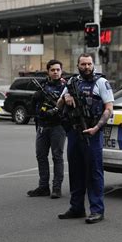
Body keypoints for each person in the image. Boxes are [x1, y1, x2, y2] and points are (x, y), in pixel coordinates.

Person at [57, 54, 114, 224]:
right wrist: (64, 97)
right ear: (78, 65)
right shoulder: (71, 82)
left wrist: (96, 128)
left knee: (94, 173)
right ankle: (77, 208)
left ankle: (97, 210)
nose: (87, 67)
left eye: (89, 64)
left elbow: (109, 108)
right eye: (83, 64)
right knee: (75, 171)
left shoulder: (101, 83)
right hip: (74, 133)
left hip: (92, 133)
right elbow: (58, 105)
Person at [27, 59, 66, 199]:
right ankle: (43, 187)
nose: (55, 72)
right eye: (52, 70)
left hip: (58, 126)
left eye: (58, 70)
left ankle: (56, 188)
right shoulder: (43, 86)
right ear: (48, 72)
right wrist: (37, 99)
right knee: (41, 156)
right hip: (43, 126)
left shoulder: (65, 87)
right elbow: (33, 107)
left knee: (57, 157)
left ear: (61, 71)